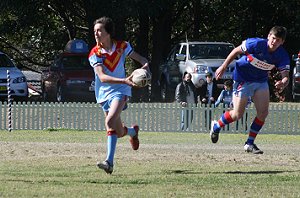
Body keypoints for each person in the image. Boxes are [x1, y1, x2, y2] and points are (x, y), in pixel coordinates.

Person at [210, 26, 290, 154]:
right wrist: (223, 66)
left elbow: (286, 75)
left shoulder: (282, 55)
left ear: (282, 42)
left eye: (278, 40)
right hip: (243, 78)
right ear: (269, 36)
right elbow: (236, 51)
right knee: (237, 114)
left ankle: (249, 143)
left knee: (263, 113)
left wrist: (283, 82)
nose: (274, 42)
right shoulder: (256, 43)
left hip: (260, 81)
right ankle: (216, 126)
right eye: (273, 38)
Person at [88, 16, 150, 174]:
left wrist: (146, 67)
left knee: (109, 121)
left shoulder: (123, 46)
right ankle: (132, 132)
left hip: (121, 91)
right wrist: (124, 80)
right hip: (104, 93)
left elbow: (141, 59)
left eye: (99, 30)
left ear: (108, 32)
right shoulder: (95, 53)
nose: (96, 33)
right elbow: (102, 77)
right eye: (94, 31)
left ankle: (109, 162)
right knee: (118, 130)